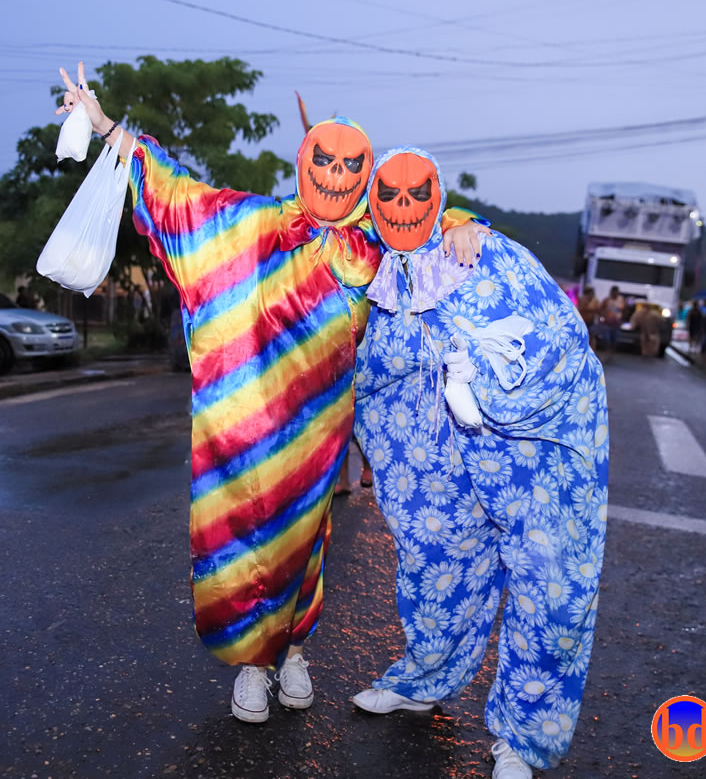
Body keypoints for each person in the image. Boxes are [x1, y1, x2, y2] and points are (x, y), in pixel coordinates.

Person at [52, 63, 490, 723]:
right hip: (241, 430)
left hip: (318, 432)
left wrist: (461, 220)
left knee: (305, 541)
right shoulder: (249, 222)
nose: (336, 175)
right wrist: (107, 125)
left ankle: (293, 653)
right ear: (304, 162)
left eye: (351, 166)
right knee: (239, 543)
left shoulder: (371, 246)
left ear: (364, 175)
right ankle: (252, 664)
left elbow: (420, 215)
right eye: (325, 160)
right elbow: (176, 192)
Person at [349, 147, 608, 779]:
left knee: (549, 585)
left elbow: (558, 337)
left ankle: (522, 738)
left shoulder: (486, 253)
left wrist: (487, 383)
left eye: (419, 194)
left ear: (439, 197)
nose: (403, 206)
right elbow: (376, 371)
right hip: (444, 460)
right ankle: (424, 680)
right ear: (371, 205)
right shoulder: (375, 271)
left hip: (529, 457)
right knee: (435, 562)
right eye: (388, 195)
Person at [597, 286, 626, 361]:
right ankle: (606, 354)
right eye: (613, 292)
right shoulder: (607, 300)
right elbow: (600, 309)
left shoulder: (621, 300)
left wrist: (622, 320)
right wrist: (603, 316)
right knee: (607, 340)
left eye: (616, 292)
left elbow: (624, 310)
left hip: (616, 324)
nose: (614, 294)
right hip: (607, 323)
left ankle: (611, 355)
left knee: (614, 340)